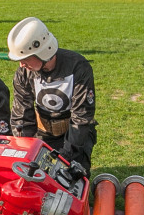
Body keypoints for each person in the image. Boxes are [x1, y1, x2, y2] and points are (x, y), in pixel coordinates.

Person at [7, 17, 97, 173]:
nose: (21, 64)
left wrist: (67, 155)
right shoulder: (24, 72)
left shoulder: (78, 67)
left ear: (43, 52)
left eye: (25, 59)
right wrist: (25, 149)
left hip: (75, 134)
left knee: (73, 176)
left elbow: (81, 117)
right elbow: (22, 114)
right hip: (43, 132)